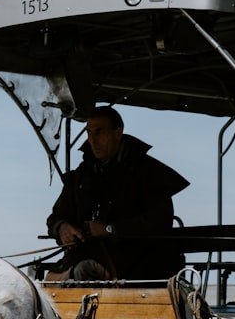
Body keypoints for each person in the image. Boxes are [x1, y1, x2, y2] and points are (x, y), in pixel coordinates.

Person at [47, 106, 190, 280]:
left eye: (99, 132)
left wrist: (110, 229)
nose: (92, 139)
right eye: (89, 132)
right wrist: (62, 227)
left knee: (84, 272)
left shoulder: (148, 172)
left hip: (138, 264)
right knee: (46, 283)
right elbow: (56, 216)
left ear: (117, 133)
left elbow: (159, 221)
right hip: (82, 257)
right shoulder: (80, 177)